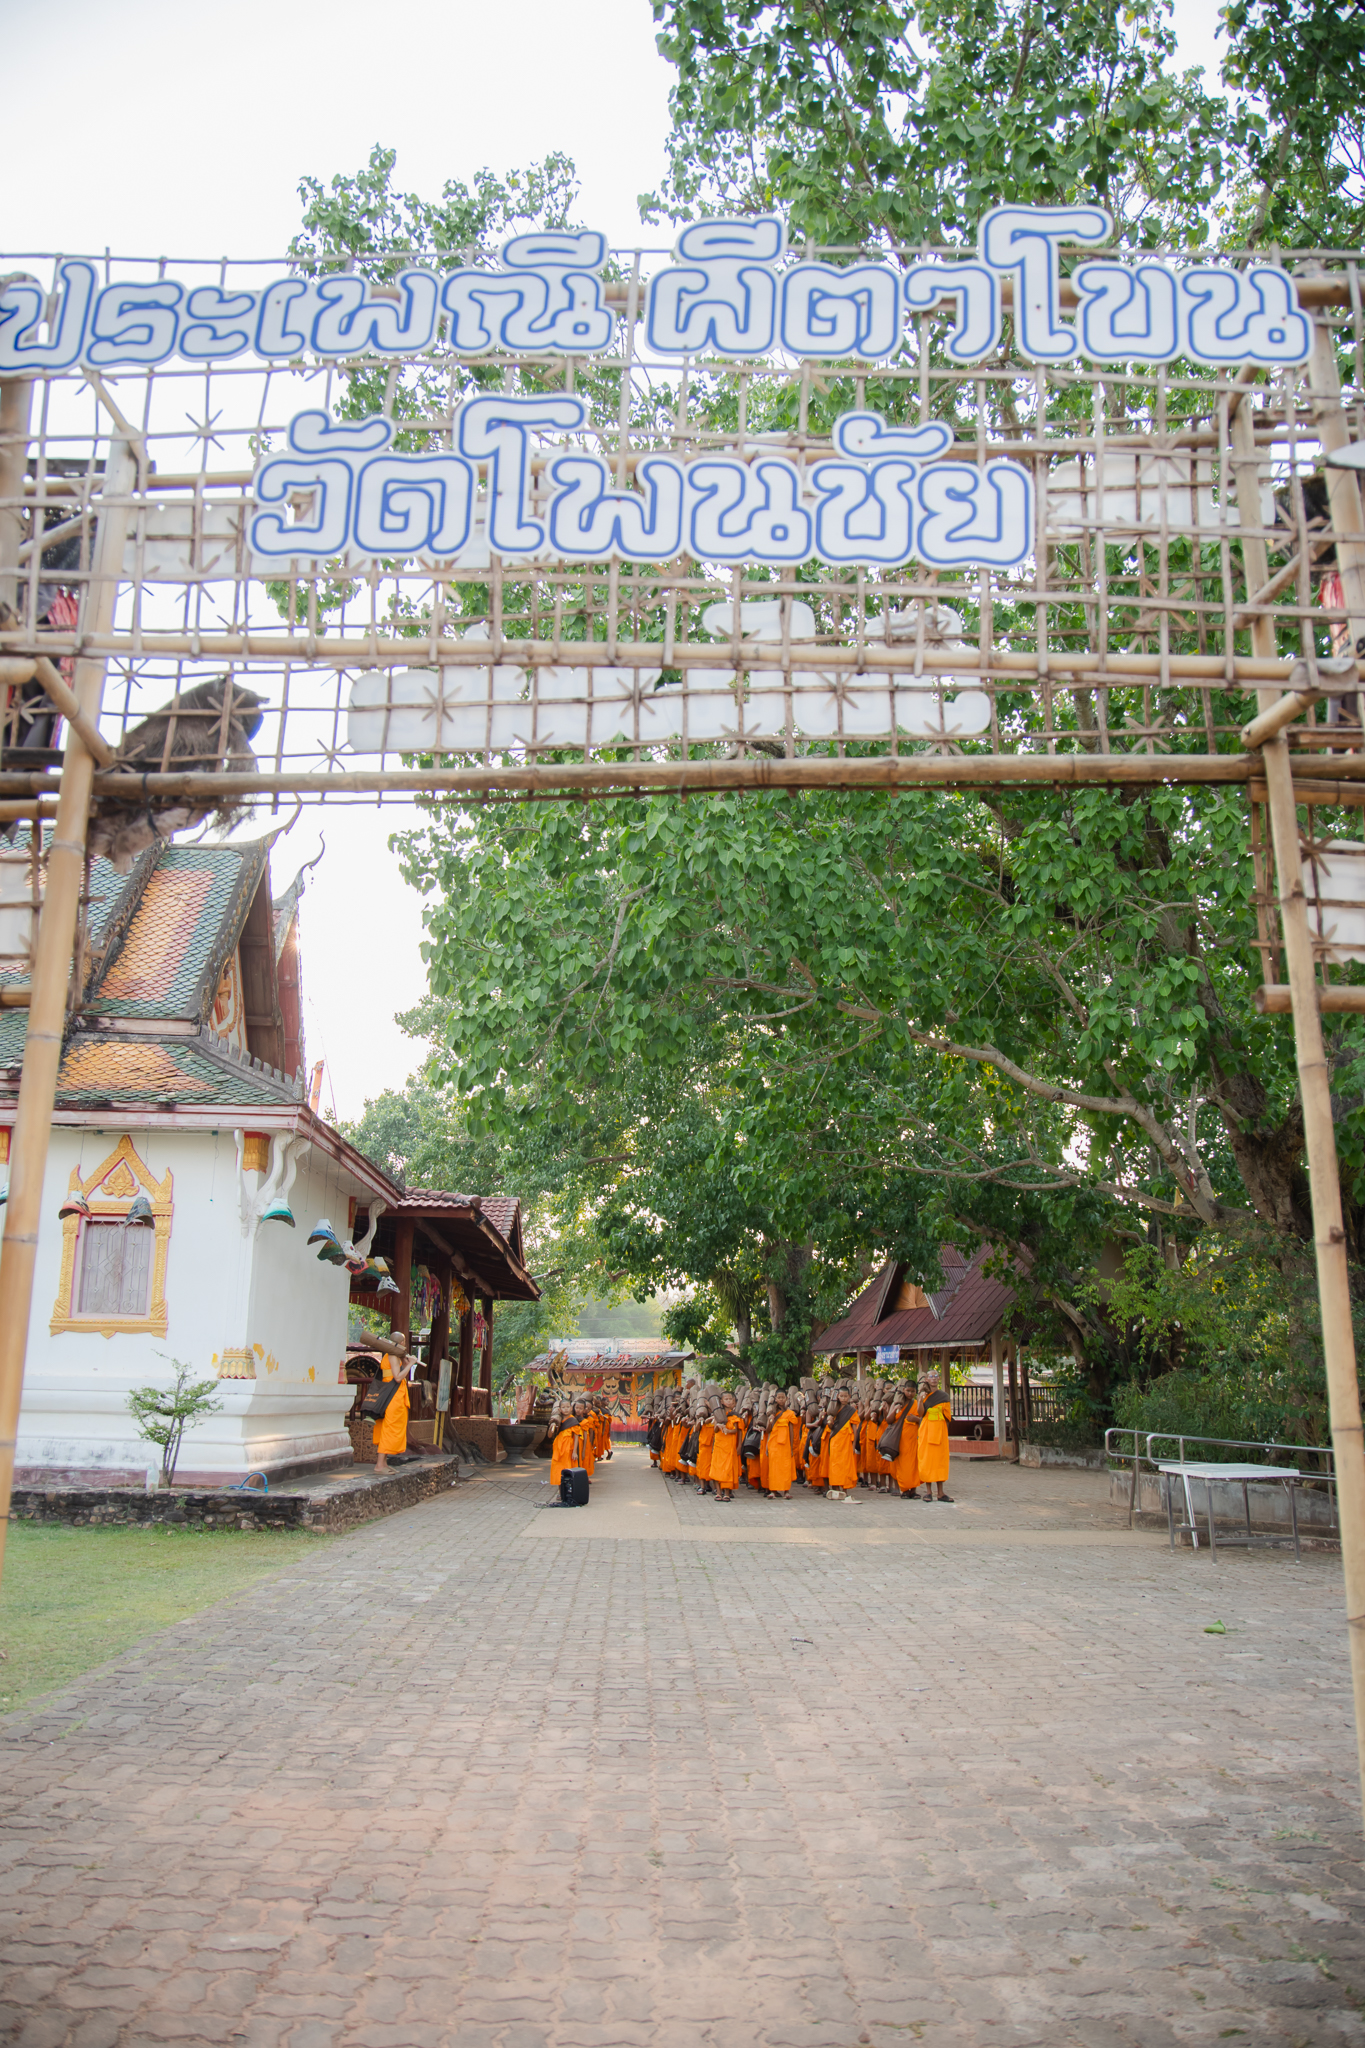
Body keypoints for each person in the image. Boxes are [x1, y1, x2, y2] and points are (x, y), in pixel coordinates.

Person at [372, 1341, 411, 1473]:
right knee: (389, 1428)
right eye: (403, 1342)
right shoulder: (392, 1356)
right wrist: (411, 1364)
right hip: (392, 1395)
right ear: (399, 1342)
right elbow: (398, 1377)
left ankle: (383, 1463)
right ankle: (379, 1465)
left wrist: (405, 1363)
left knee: (388, 1427)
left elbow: (399, 1371)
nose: (404, 1344)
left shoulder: (393, 1356)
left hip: (393, 1394)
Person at [917, 1377, 954, 1501]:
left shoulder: (943, 1396)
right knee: (928, 1461)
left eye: (935, 1376)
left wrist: (946, 1434)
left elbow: (947, 1416)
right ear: (927, 1379)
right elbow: (920, 1413)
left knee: (940, 1462)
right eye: (931, 1376)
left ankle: (941, 1493)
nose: (933, 1379)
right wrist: (920, 1400)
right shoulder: (923, 1395)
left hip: (940, 1432)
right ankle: (928, 1492)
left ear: (938, 1379)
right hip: (926, 1432)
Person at [765, 1386, 800, 1500]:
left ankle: (786, 1492)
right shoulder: (772, 1413)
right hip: (774, 1444)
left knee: (785, 1468)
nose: (780, 1399)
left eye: (782, 1397)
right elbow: (768, 1431)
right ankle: (773, 1492)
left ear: (786, 1398)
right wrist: (770, 1420)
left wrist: (791, 1447)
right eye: (778, 1397)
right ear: (775, 1399)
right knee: (774, 1468)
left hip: (785, 1445)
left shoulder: (789, 1413)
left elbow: (791, 1432)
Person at [826, 1384, 860, 1501]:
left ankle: (845, 1490)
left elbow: (855, 1429)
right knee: (835, 1465)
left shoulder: (851, 1411)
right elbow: (831, 1427)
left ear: (849, 1397)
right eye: (841, 1396)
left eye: (846, 1396)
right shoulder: (834, 1409)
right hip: (835, 1441)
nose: (844, 1398)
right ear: (838, 1397)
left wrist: (854, 1445)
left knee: (846, 1466)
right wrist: (830, 1423)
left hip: (846, 1442)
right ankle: (835, 1489)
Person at [709, 1391, 743, 1501]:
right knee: (717, 1469)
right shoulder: (718, 1414)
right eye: (726, 1399)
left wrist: (728, 1431)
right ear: (721, 1402)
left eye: (730, 1399)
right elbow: (714, 1430)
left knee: (728, 1469)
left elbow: (736, 1431)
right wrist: (718, 1425)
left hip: (729, 1447)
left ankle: (727, 1493)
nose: (728, 1401)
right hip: (719, 1445)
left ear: (734, 1402)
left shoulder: (735, 1416)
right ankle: (718, 1493)